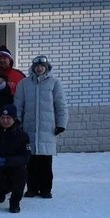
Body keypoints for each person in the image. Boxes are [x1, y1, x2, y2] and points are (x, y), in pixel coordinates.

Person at [14, 54, 68, 198]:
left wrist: (61, 123)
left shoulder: (54, 83)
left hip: (47, 129)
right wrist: (17, 122)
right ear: (33, 68)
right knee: (31, 162)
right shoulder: (24, 84)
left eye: (42, 66)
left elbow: (60, 105)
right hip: (29, 129)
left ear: (46, 68)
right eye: (36, 66)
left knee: (45, 163)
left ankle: (45, 189)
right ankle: (32, 188)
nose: (39, 69)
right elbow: (18, 105)